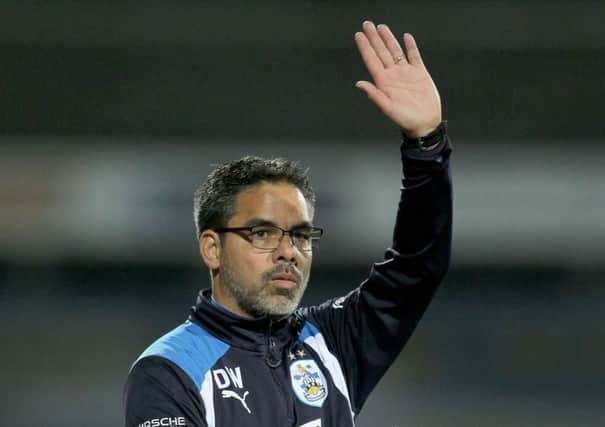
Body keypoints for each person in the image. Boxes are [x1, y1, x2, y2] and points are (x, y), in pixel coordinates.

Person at [123, 21, 452, 427]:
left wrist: (426, 146)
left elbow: (417, 267)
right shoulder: (168, 371)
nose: (288, 252)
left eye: (300, 235)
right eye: (262, 233)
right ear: (212, 248)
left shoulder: (333, 344)